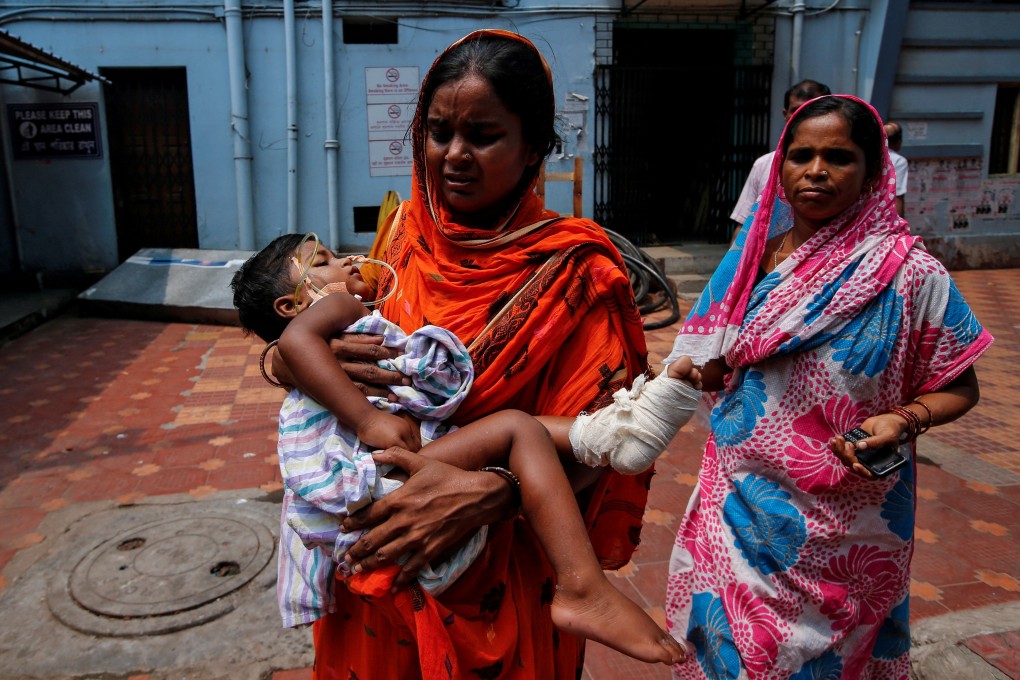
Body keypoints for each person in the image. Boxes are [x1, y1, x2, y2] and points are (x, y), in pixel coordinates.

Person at [263, 30, 688, 678]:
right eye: (438, 132)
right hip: (379, 568)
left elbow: (599, 448)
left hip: (500, 571)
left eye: (483, 136)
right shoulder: (403, 236)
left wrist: (495, 492)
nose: (454, 155)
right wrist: (284, 360)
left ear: (533, 147)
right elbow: (336, 345)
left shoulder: (578, 276)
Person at [230, 231, 701, 666]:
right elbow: (296, 341)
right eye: (327, 260)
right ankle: (584, 575)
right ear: (291, 303)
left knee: (513, 431)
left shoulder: (573, 263)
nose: (352, 263)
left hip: (426, 503)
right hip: (379, 478)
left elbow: (296, 343)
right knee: (516, 430)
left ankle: (608, 437)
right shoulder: (388, 254)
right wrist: (364, 413)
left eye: (484, 135)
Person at [663, 94, 993, 678]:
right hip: (740, 509)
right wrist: (700, 374)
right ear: (780, 169)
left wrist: (903, 420)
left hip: (850, 527)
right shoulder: (752, 265)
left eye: (838, 157)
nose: (815, 171)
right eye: (801, 155)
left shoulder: (910, 274)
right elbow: (722, 364)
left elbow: (959, 386)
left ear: (873, 173)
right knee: (736, 658)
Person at [729, 79, 832, 235]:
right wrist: (735, 258)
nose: (804, 117)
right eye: (796, 110)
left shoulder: (843, 167)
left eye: (813, 109)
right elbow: (743, 225)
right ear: (786, 114)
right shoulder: (764, 164)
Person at [885, 121, 909, 216]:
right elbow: (897, 195)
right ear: (898, 142)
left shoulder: (866, 157)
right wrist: (899, 228)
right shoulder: (898, 161)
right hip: (884, 219)